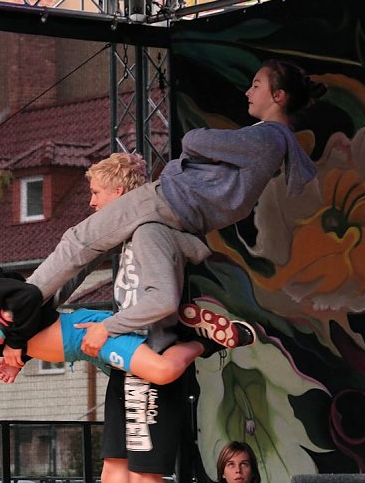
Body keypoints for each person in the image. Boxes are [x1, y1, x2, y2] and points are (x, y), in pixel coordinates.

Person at [26, 60, 327, 302]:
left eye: (256, 85)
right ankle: (36, 307)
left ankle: (19, 304)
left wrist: (201, 152)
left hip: (169, 199)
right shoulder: (272, 141)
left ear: (278, 96)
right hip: (185, 214)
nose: (248, 91)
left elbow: (194, 140)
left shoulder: (267, 138)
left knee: (79, 239)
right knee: (98, 247)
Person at [74, 152, 255, 483]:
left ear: (118, 193)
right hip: (127, 359)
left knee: (144, 474)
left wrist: (106, 327)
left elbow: (162, 299)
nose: (91, 202)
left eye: (96, 192)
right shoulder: (127, 237)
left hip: (152, 354)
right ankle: (201, 338)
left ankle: (202, 339)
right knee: (114, 466)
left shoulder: (150, 232)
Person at [0, 236, 253, 386]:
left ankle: (203, 341)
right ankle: (181, 328)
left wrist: (17, 345)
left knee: (163, 371)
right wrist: (20, 358)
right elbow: (26, 320)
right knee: (143, 381)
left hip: (84, 335)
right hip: (80, 347)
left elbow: (29, 299)